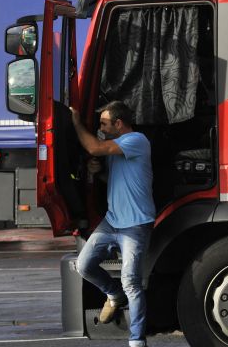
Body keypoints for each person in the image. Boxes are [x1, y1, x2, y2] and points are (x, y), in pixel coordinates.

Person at [70, 101, 155, 347]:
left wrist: (76, 122)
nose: (101, 128)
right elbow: (117, 178)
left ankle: (137, 340)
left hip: (135, 224)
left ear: (119, 124)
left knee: (131, 281)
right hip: (113, 221)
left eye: (105, 124)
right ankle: (114, 294)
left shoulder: (136, 140)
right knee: (84, 266)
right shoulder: (119, 148)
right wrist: (97, 172)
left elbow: (94, 147)